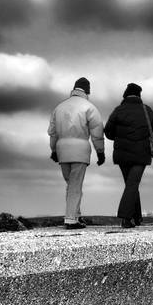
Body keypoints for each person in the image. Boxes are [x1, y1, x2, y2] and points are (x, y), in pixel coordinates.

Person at [48, 77, 105, 230]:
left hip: (62, 151)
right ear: (88, 91)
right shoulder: (89, 107)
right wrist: (100, 152)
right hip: (80, 150)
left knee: (71, 185)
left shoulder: (59, 107)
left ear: (74, 89)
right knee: (75, 185)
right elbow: (97, 133)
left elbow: (52, 132)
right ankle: (71, 219)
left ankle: (76, 216)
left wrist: (53, 150)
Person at [104, 82, 153, 228]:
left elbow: (108, 132)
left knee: (131, 184)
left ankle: (137, 217)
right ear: (139, 95)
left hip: (122, 155)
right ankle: (126, 218)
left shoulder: (118, 110)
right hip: (141, 154)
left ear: (125, 95)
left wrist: (120, 137)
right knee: (133, 184)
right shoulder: (147, 111)